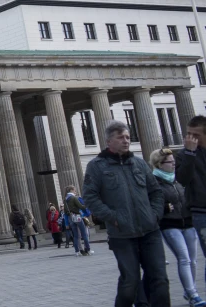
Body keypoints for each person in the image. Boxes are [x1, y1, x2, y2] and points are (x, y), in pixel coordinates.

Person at [83, 119, 169, 306]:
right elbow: (90, 197)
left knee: (160, 279)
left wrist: (154, 215)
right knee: (130, 283)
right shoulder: (97, 166)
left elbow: (156, 192)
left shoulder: (139, 164)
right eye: (121, 137)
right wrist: (113, 218)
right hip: (122, 234)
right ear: (109, 141)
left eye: (128, 137)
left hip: (149, 230)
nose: (126, 140)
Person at [151, 148, 205, 306]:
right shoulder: (154, 181)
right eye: (170, 162)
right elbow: (152, 202)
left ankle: (189, 291)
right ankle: (193, 294)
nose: (174, 164)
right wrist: (164, 208)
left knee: (193, 260)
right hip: (170, 224)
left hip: (188, 221)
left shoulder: (179, 178)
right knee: (184, 258)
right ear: (159, 164)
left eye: (174, 162)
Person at [178, 115, 206, 272]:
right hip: (201, 212)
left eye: (196, 135)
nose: (191, 139)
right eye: (189, 134)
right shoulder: (185, 154)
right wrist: (190, 153)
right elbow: (183, 179)